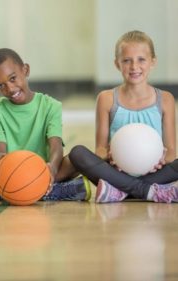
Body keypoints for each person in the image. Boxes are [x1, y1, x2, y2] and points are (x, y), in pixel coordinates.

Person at [69, 30, 178, 203]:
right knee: (77, 154)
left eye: (141, 59)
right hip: (116, 171)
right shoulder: (106, 99)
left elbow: (172, 151)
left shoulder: (165, 99)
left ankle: (120, 191)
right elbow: (100, 150)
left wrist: (161, 159)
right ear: (117, 64)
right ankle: (147, 191)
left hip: (154, 171)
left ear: (153, 62)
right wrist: (112, 158)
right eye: (127, 60)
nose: (134, 67)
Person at [0, 48, 90, 203]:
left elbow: (56, 147)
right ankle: (53, 191)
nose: (10, 89)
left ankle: (1, 192)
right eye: (1, 85)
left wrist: (52, 169)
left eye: (13, 79)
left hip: (43, 171)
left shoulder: (51, 105)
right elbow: (0, 149)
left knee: (76, 158)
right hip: (12, 172)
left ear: (25, 70)